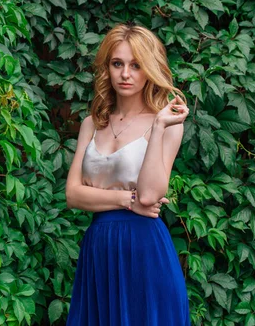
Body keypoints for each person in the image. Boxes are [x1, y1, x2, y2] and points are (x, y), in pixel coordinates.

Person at [65, 23, 191, 325]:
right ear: (106, 68)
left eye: (136, 65)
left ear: (149, 69)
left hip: (145, 249)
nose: (125, 74)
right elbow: (73, 194)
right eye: (117, 63)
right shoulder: (91, 124)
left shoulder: (168, 124)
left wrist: (158, 128)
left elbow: (150, 195)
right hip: (100, 248)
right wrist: (126, 199)